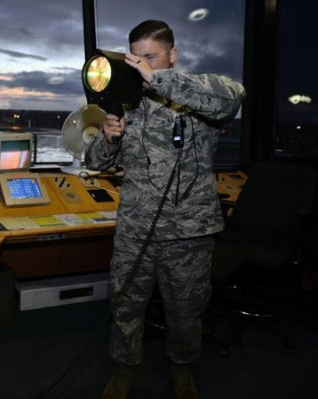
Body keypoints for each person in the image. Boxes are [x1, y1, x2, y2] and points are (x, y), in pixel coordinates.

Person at [84, 20, 245, 399]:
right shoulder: (126, 101)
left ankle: (182, 368)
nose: (140, 66)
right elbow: (95, 163)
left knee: (186, 312)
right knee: (124, 307)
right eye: (135, 58)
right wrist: (107, 140)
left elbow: (233, 96)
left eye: (150, 58)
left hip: (187, 233)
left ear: (171, 55)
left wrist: (160, 81)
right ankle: (124, 368)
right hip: (135, 229)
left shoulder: (193, 97)